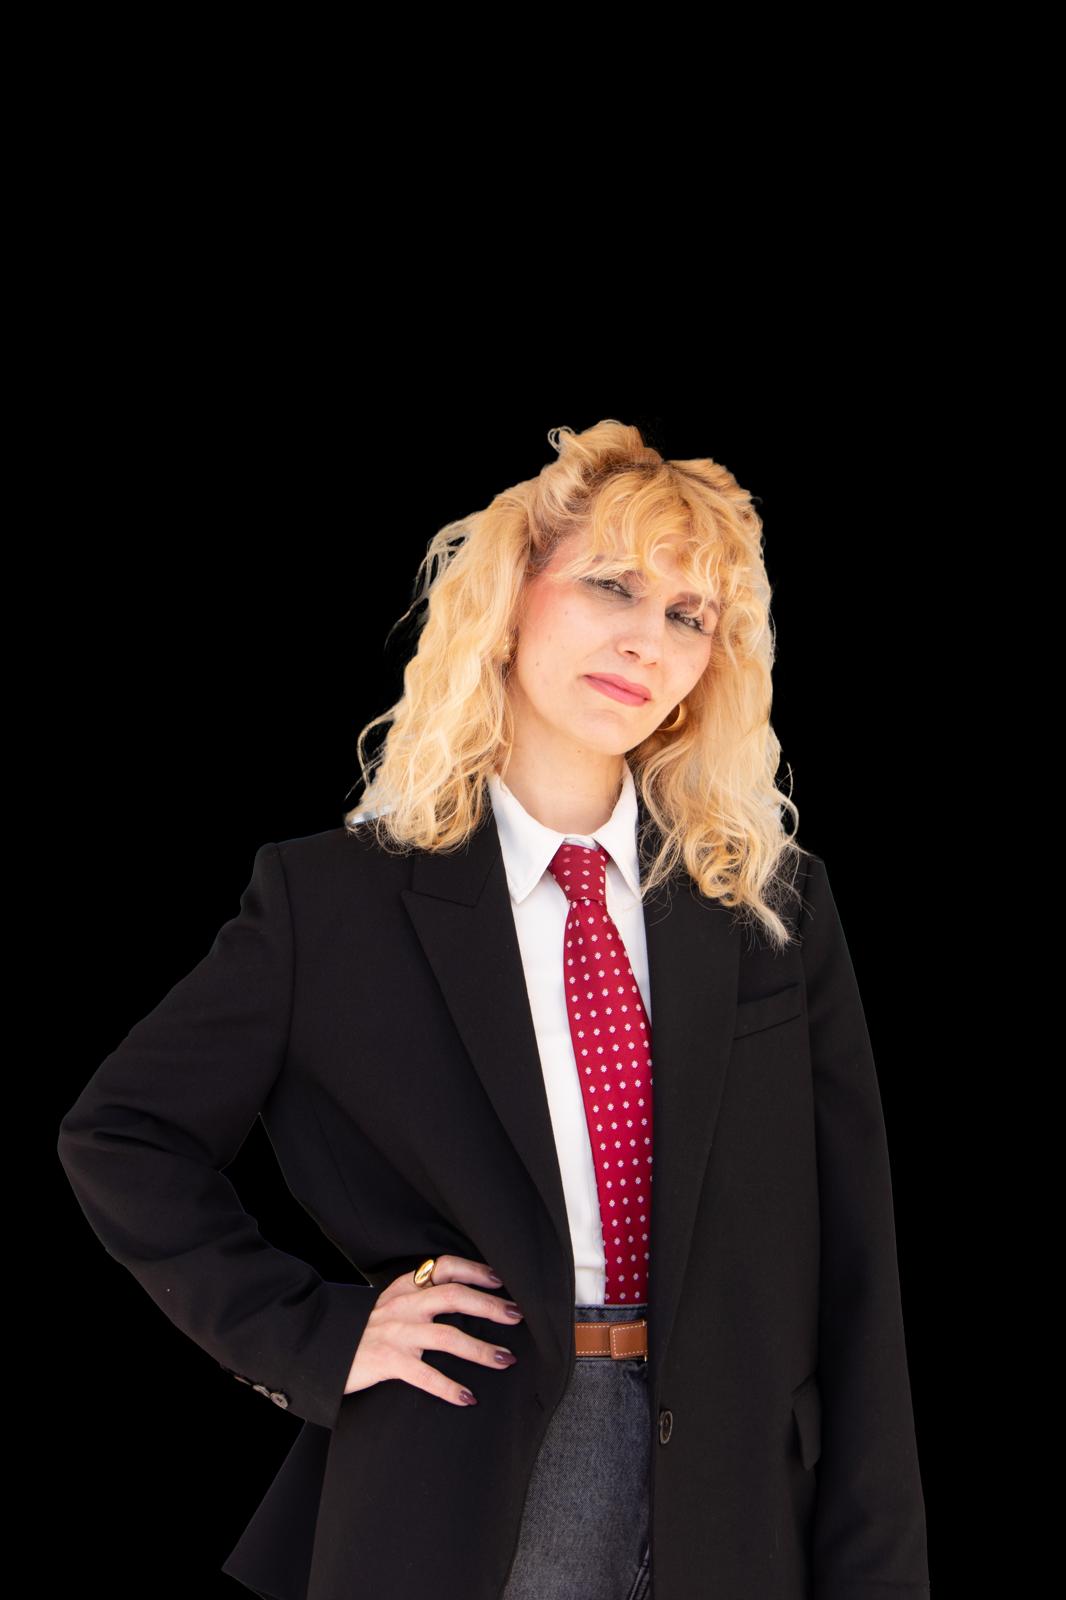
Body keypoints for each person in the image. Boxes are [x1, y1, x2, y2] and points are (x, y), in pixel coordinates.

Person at [57, 419, 930, 1600]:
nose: (647, 639)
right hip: (457, 1485)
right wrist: (317, 1332)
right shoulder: (333, 901)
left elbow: (857, 1267)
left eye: (689, 615)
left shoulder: (769, 906)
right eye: (612, 584)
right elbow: (121, 1134)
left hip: (740, 1505)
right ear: (512, 594)